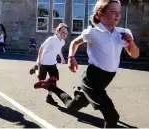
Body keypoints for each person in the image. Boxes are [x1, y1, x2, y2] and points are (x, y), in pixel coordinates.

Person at [34, 0, 140, 128]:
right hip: (92, 78)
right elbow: (75, 42)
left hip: (105, 79)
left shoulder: (123, 33)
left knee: (72, 106)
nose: (117, 15)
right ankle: (78, 90)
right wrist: (71, 57)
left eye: (119, 12)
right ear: (100, 15)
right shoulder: (93, 32)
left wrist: (131, 44)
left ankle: (51, 86)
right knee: (112, 116)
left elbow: (135, 54)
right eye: (112, 11)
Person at [33, 23, 67, 105]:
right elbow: (41, 48)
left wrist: (62, 58)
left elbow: (58, 50)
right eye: (62, 32)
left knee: (53, 81)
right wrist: (39, 61)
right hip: (43, 62)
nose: (64, 34)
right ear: (57, 31)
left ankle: (49, 97)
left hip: (53, 64)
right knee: (41, 79)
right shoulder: (51, 39)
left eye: (66, 33)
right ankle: (36, 70)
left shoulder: (62, 41)